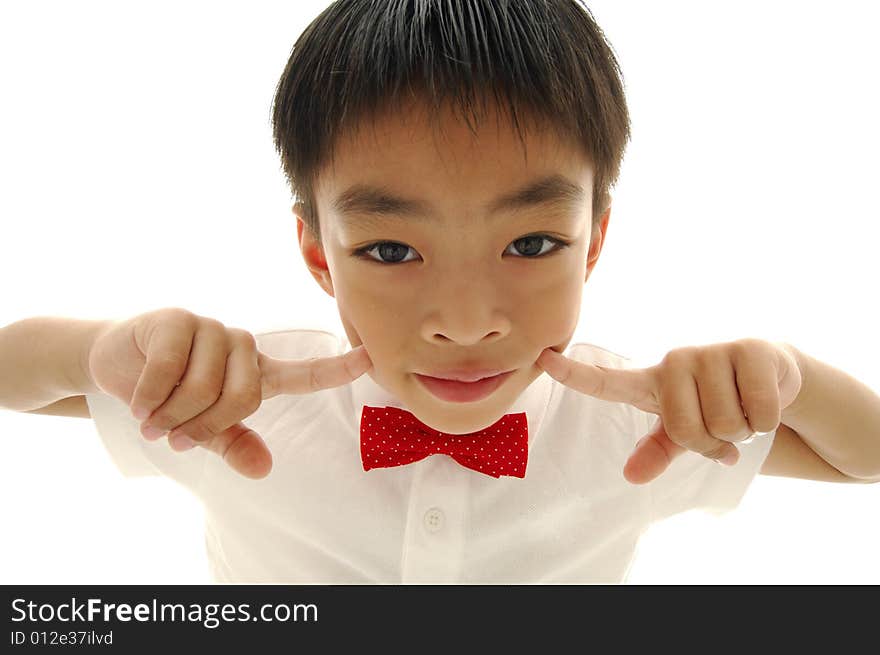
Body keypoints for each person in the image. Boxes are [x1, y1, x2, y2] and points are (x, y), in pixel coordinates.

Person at [1, 0, 878, 584]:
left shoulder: (642, 425)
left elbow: (866, 455)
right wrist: (92, 351)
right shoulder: (238, 404)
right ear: (317, 250)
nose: (466, 323)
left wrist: (787, 373)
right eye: (390, 248)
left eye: (531, 243)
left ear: (596, 240)